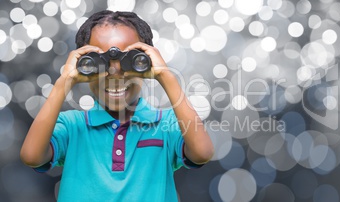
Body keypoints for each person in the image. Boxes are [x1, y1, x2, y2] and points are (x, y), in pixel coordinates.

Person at [20, 10, 214, 202]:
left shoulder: (166, 124)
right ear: (82, 65)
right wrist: (65, 81)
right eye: (100, 63)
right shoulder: (71, 126)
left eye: (131, 60)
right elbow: (32, 156)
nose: (114, 74)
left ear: (147, 62)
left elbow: (201, 153)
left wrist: (165, 75)